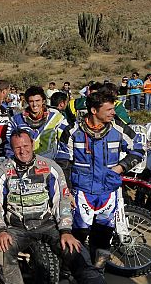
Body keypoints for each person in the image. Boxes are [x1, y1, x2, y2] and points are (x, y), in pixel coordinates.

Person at [0, 130, 146, 284]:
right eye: (17, 147)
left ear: (33, 145)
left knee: (78, 252)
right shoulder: (1, 170)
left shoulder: (50, 167)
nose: (22, 151)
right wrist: (0, 229)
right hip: (16, 227)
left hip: (48, 225)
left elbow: (62, 200)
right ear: (11, 149)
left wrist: (66, 231)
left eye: (26, 146)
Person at [56, 91, 143, 269]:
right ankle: (68, 271)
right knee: (78, 234)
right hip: (81, 191)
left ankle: (98, 271)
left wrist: (120, 168)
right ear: (94, 110)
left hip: (108, 191)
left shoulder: (119, 128)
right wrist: (67, 192)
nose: (113, 112)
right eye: (109, 109)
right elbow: (63, 164)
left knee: (103, 235)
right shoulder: (72, 131)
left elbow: (139, 148)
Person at [6, 86, 67, 160]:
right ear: (27, 102)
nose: (35, 104)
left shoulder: (57, 118)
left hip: (49, 164)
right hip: (23, 164)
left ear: (43, 101)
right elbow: (10, 143)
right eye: (31, 101)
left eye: (37, 100)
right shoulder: (16, 120)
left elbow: (64, 143)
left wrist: (61, 162)